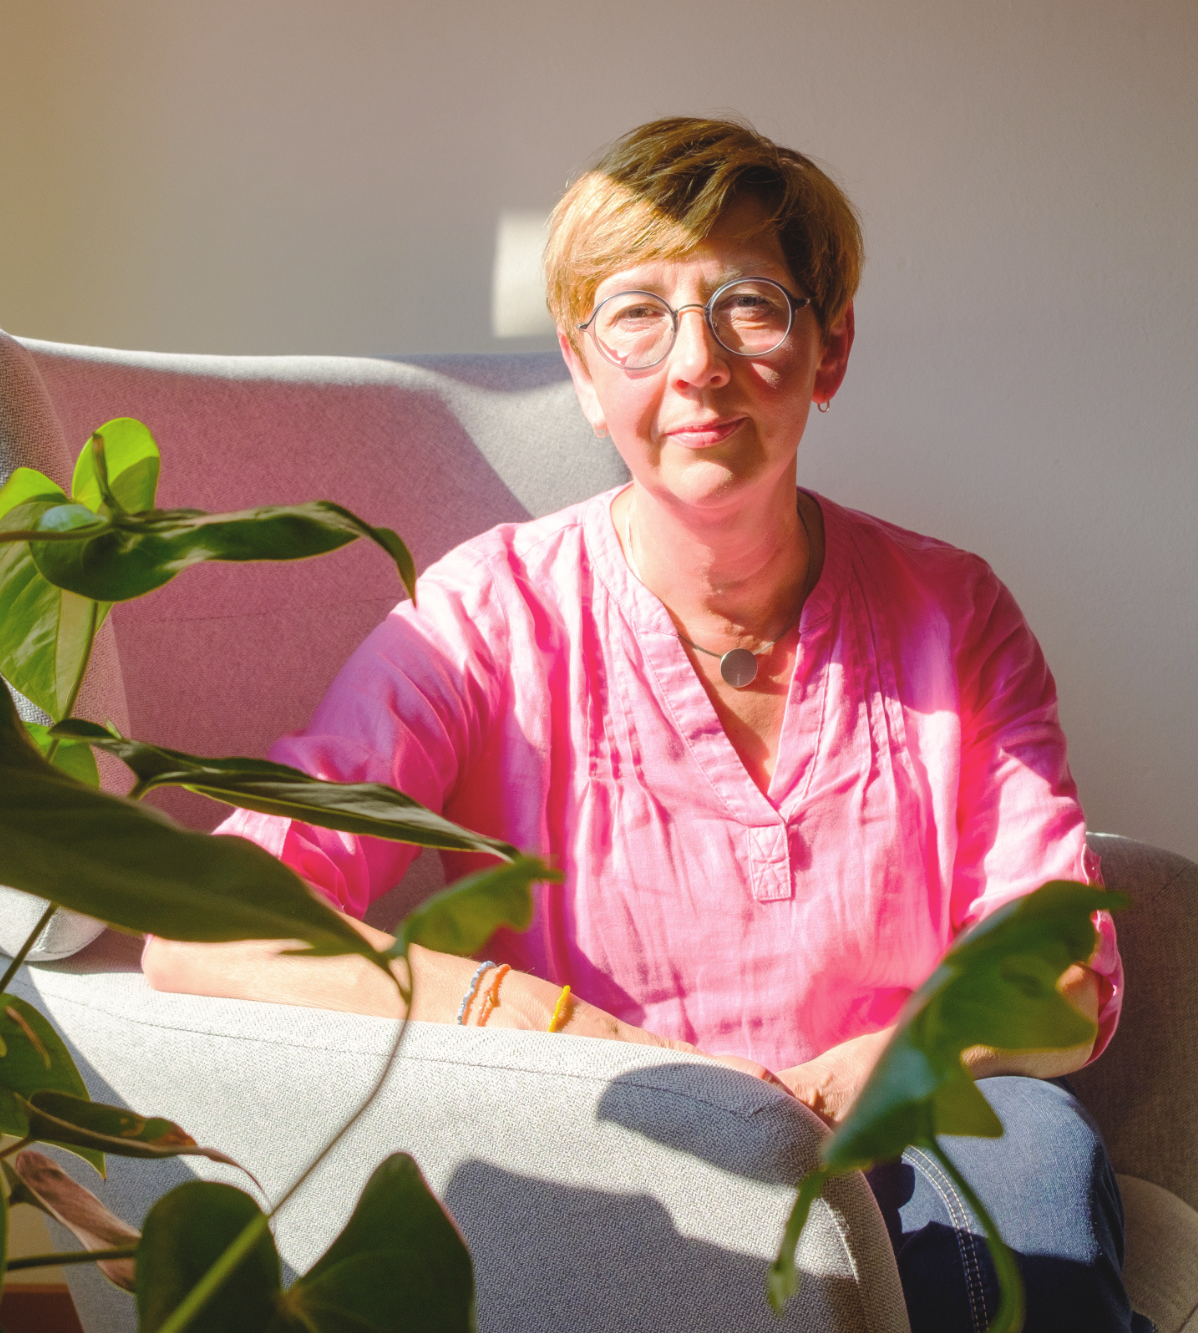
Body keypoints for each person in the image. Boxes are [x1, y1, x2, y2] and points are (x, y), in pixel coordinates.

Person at [143, 117, 1147, 1331]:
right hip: (613, 1154)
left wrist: (856, 1078)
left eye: (748, 306)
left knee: (1033, 1155)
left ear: (827, 349)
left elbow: (1057, 965)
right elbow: (208, 926)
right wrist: (537, 1018)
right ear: (581, 370)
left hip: (906, 1125)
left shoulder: (953, 608)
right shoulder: (485, 616)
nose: (697, 365)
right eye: (637, 313)